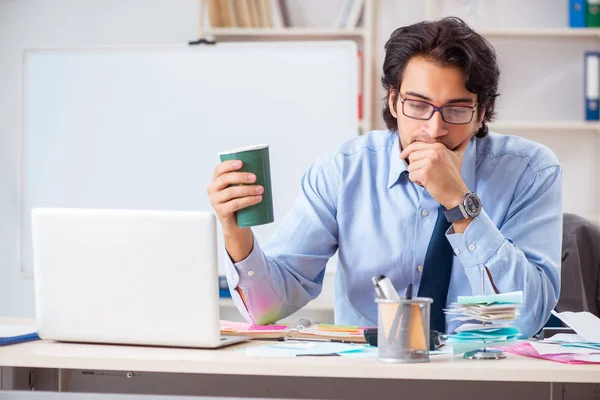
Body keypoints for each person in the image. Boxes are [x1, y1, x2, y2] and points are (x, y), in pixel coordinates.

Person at [207, 17, 562, 338]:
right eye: (418, 105)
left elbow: (527, 318)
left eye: (456, 109)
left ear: (481, 113)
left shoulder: (530, 171)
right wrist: (235, 232)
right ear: (393, 101)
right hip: (369, 377)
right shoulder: (344, 170)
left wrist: (460, 203)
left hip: (487, 378)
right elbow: (268, 308)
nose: (434, 129)